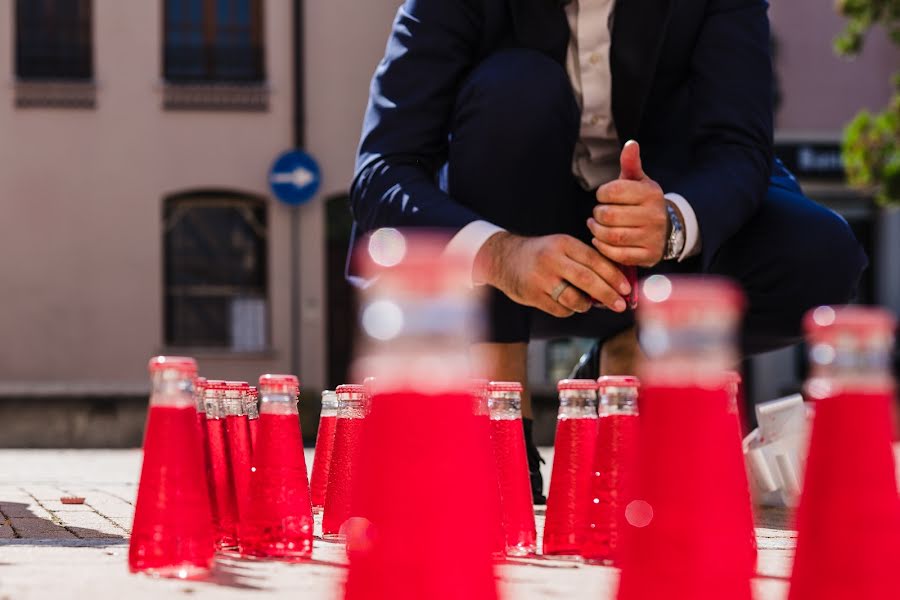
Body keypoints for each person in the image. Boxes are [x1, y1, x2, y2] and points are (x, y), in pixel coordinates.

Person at [347, 0, 868, 503]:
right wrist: (500, 254)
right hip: (507, 243)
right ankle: (500, 413)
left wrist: (673, 222)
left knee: (821, 254)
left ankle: (626, 355)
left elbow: (739, 149)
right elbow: (382, 170)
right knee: (515, 85)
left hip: (663, 223)